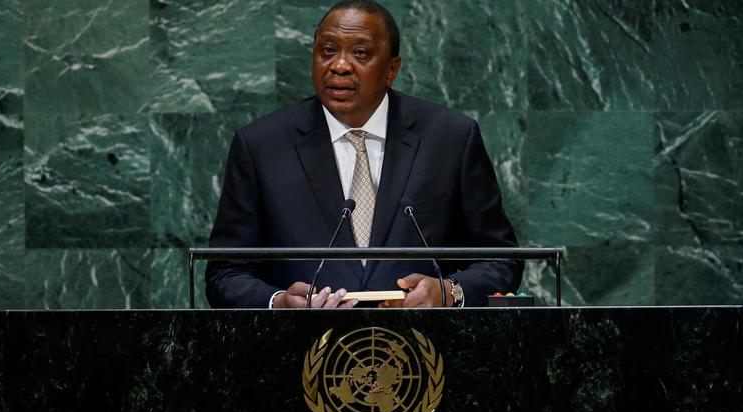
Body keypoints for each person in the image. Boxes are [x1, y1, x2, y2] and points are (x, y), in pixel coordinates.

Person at [205, 0, 522, 308]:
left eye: (360, 53)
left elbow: (501, 260)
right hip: (304, 353)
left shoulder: (450, 139)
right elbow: (226, 273)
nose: (339, 66)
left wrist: (449, 291)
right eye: (328, 50)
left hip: (425, 350)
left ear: (392, 69)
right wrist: (280, 303)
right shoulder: (262, 146)